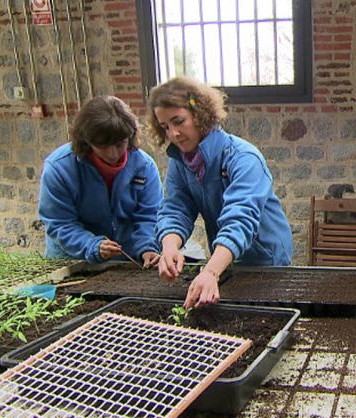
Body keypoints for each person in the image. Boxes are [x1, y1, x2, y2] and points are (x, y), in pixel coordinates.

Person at [148, 77, 293, 309]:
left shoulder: (244, 158)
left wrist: (211, 271)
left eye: (179, 121)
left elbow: (240, 218)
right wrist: (169, 247)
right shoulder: (180, 161)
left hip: (264, 259)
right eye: (165, 127)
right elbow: (176, 208)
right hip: (225, 258)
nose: (173, 133)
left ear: (200, 114)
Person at [38, 95, 163, 266]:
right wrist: (92, 245)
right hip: (73, 260)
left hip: (126, 260)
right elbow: (60, 223)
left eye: (120, 144)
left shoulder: (144, 166)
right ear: (87, 142)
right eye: (103, 146)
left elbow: (149, 216)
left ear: (130, 136)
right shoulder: (60, 168)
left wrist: (148, 248)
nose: (113, 154)